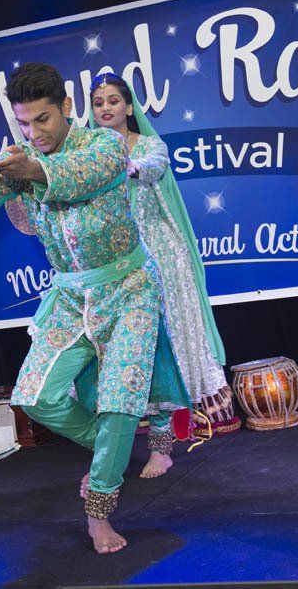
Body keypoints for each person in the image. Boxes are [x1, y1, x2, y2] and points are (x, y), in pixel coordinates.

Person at [0, 62, 192, 554]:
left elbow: (86, 175)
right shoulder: (23, 159)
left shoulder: (103, 144)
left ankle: (99, 511)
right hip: (71, 297)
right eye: (24, 123)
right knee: (36, 396)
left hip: (130, 288)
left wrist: (33, 170)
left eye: (42, 119)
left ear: (67, 107)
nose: (34, 133)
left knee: (121, 402)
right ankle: (112, 446)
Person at [89, 72, 229, 478]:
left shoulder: (149, 146)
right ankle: (108, 449)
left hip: (159, 261)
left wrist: (127, 166)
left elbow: (152, 168)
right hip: (116, 264)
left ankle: (161, 448)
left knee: (160, 350)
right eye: (98, 102)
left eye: (113, 100)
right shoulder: (88, 152)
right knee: (124, 356)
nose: (106, 108)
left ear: (128, 107)